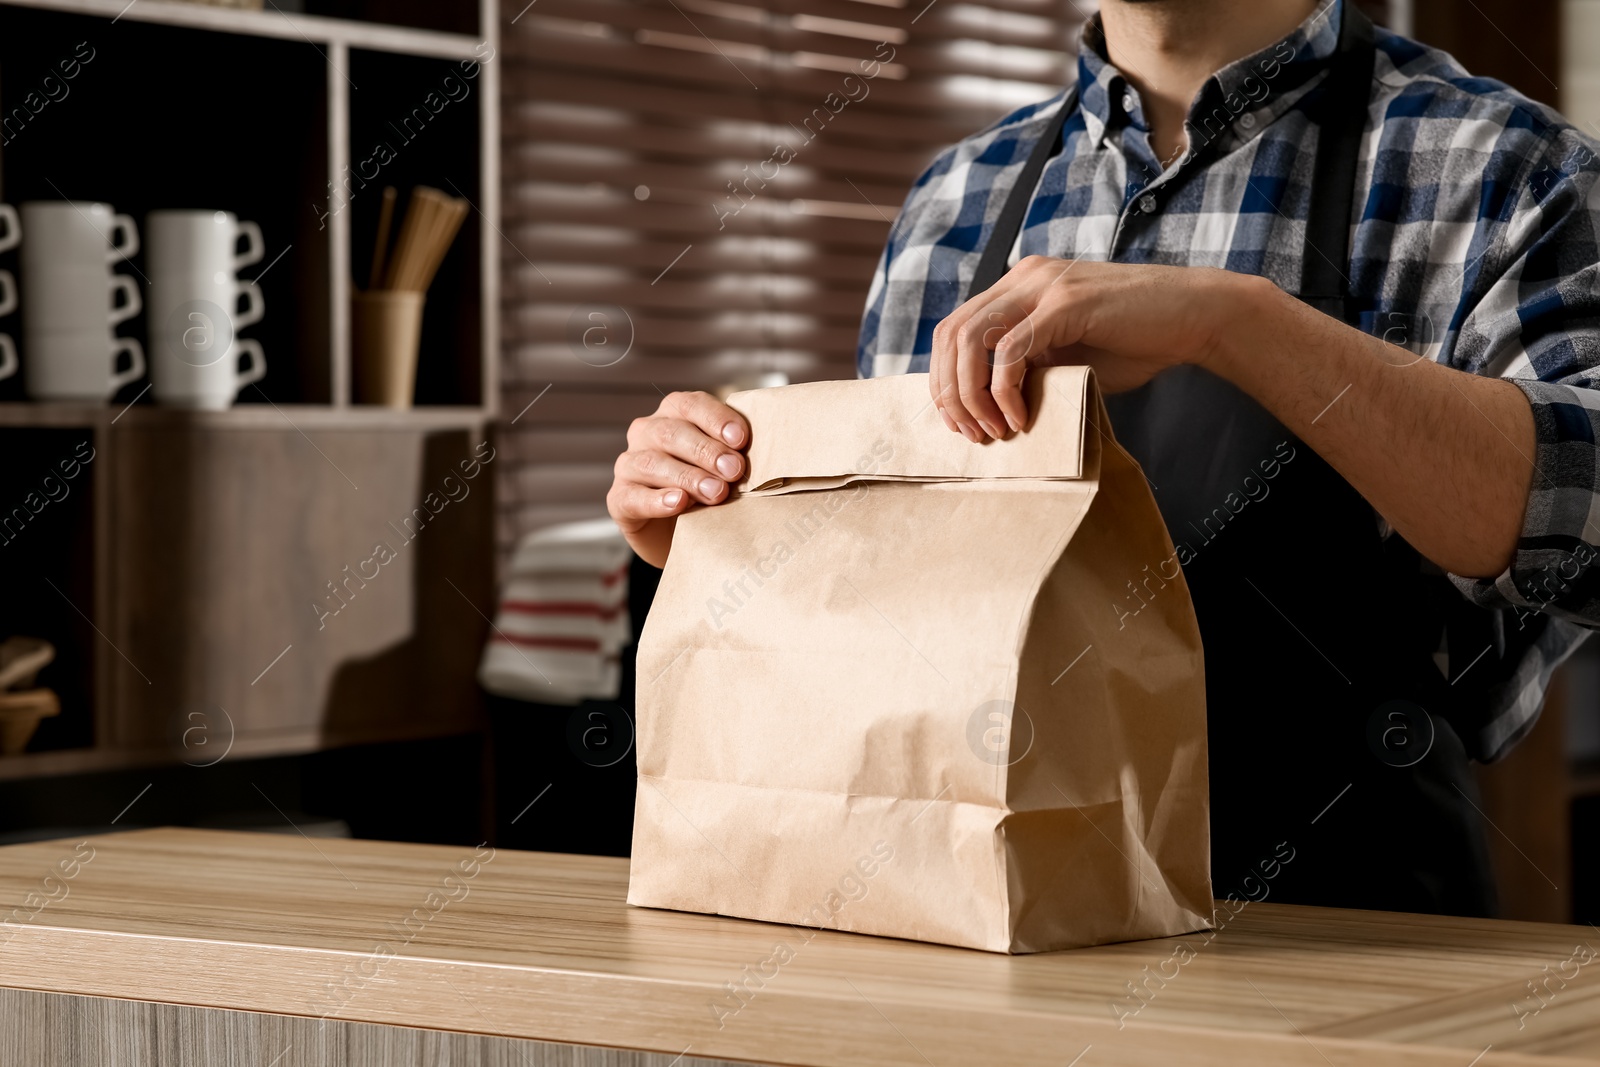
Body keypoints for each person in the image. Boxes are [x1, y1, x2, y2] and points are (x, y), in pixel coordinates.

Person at [607, 0, 1600, 916]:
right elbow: (902, 617)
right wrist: (721, 531)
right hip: (994, 926)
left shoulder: (1505, 169)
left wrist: (1237, 322)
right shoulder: (956, 197)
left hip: (1339, 949)